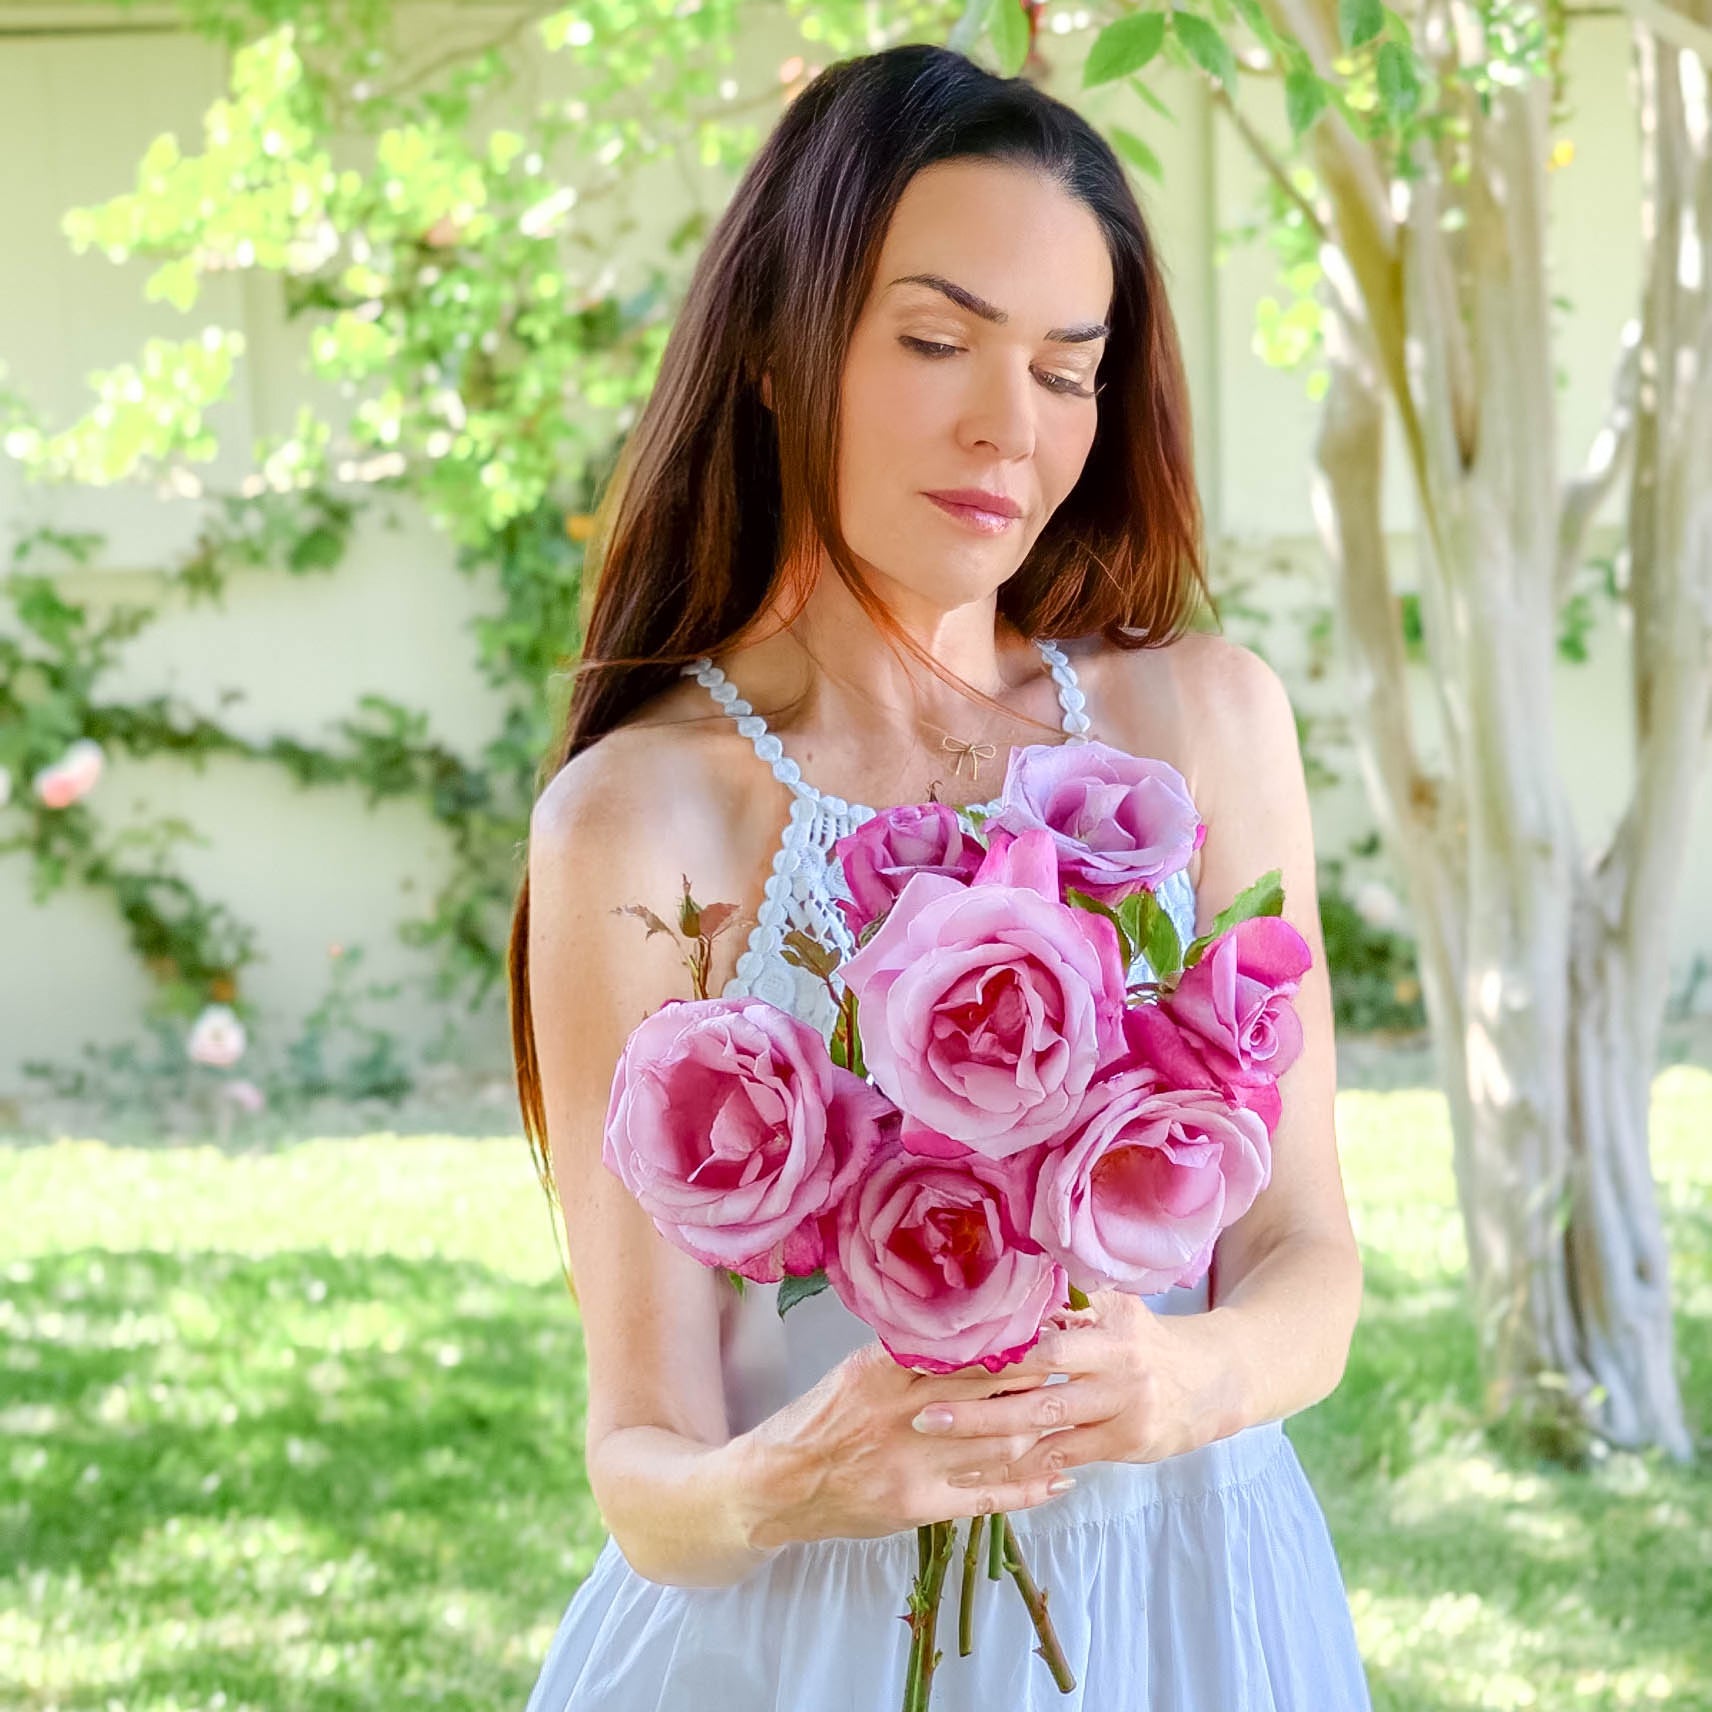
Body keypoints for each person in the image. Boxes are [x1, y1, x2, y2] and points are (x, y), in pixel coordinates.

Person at [507, 40, 1372, 1711]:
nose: (1007, 427)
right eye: (933, 340)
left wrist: (1184, 1380)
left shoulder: (1203, 723)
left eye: (1066, 370)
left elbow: (1309, 1263)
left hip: (1192, 1603)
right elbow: (644, 1465)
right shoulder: (634, 822)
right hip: (808, 1645)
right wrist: (787, 1481)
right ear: (777, 350)